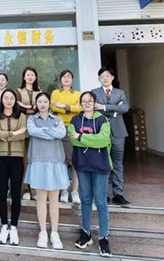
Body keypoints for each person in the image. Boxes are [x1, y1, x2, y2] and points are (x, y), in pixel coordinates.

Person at [70, 91, 113, 257]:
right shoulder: (75, 120)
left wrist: (81, 137)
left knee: (101, 201)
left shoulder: (103, 120)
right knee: (86, 199)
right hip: (82, 165)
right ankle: (86, 233)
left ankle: (103, 238)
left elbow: (103, 140)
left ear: (95, 103)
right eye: (84, 101)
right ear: (80, 103)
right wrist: (91, 139)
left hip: (101, 165)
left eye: (90, 101)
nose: (87, 103)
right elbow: (72, 139)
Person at [25, 92, 69, 250]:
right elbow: (32, 131)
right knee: (41, 199)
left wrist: (43, 130)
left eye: (45, 101)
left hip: (55, 161)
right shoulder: (32, 119)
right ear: (36, 104)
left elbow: (61, 133)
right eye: (40, 101)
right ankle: (43, 232)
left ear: (49, 104)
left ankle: (55, 233)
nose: (42, 104)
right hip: (38, 160)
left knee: (54, 199)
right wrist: (51, 133)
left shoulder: (57, 119)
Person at [0, 88, 27, 246]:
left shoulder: (22, 117)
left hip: (17, 158)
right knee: (2, 192)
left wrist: (4, 135)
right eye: (6, 98)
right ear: (2, 100)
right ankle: (4, 225)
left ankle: (14, 226)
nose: (9, 100)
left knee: (16, 193)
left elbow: (23, 134)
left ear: (15, 100)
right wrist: (12, 134)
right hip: (1, 158)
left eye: (12, 98)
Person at [91, 67, 130, 207]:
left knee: (117, 163)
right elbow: (93, 109)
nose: (105, 78)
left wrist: (104, 107)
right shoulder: (94, 93)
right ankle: (104, 194)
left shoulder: (120, 92)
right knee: (102, 163)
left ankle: (118, 194)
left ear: (112, 77)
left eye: (107, 76)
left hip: (118, 132)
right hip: (100, 131)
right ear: (98, 79)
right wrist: (115, 109)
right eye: (102, 76)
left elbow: (125, 108)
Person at [50, 70, 82, 204]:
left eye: (69, 77)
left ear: (72, 79)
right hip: (59, 128)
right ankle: (64, 190)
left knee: (75, 162)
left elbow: (79, 109)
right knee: (61, 161)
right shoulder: (55, 93)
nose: (66, 79)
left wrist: (63, 106)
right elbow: (53, 108)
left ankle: (74, 191)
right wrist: (71, 108)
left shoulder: (78, 94)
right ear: (60, 79)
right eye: (64, 77)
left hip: (74, 128)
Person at [16, 67, 41, 200]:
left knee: (35, 158)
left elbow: (41, 107)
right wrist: (31, 107)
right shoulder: (19, 91)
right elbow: (17, 107)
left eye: (32, 74)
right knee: (25, 159)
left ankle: (35, 189)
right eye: (28, 74)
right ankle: (26, 189)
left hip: (37, 127)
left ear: (35, 77)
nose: (30, 77)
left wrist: (26, 106)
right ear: (24, 77)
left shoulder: (39, 92)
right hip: (23, 127)